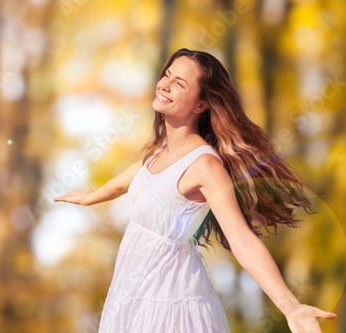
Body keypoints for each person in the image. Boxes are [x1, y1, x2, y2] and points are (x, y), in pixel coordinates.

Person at [53, 48, 337, 332]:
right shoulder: (158, 152)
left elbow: (241, 240)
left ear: (201, 104)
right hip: (132, 295)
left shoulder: (205, 165)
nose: (165, 84)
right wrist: (92, 197)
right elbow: (121, 184)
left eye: (180, 83)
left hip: (172, 306)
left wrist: (291, 307)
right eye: (167, 75)